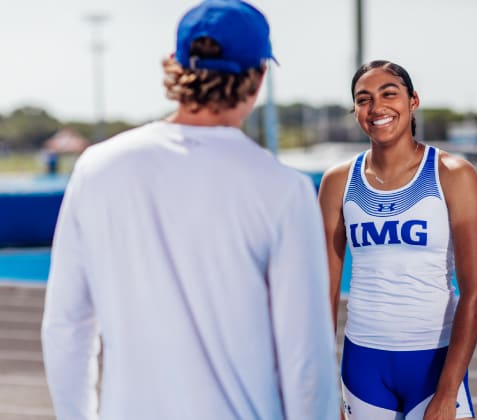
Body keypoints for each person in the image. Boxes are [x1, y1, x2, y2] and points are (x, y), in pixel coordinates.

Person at [41, 1, 339, 419]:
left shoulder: (97, 168)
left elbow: (66, 328)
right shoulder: (285, 192)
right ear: (259, 77)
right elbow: (306, 360)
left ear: (174, 67)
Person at [318, 60, 477, 420]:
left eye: (389, 94)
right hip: (363, 365)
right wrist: (322, 384)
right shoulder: (337, 182)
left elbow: (475, 291)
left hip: (434, 362)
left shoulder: (453, 175)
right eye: (363, 99)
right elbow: (325, 290)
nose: (376, 107)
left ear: (413, 101)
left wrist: (447, 392)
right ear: (355, 111)